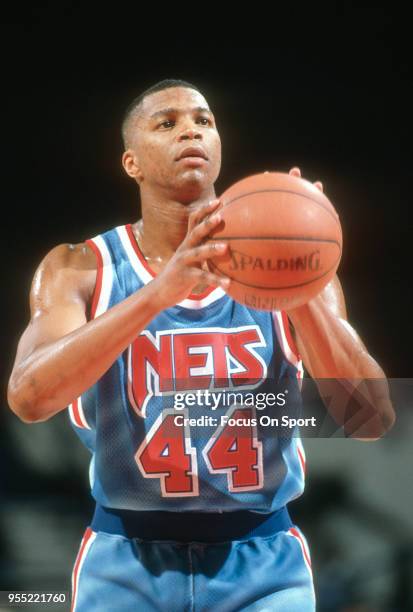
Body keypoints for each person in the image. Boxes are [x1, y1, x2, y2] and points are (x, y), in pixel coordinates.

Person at [7, 79, 395, 611]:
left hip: (264, 560)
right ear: (131, 163)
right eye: (166, 123)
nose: (190, 129)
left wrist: (297, 278)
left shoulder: (302, 271)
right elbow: (29, 399)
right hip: (126, 558)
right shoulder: (80, 267)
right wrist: (158, 294)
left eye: (203, 120)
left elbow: (369, 419)